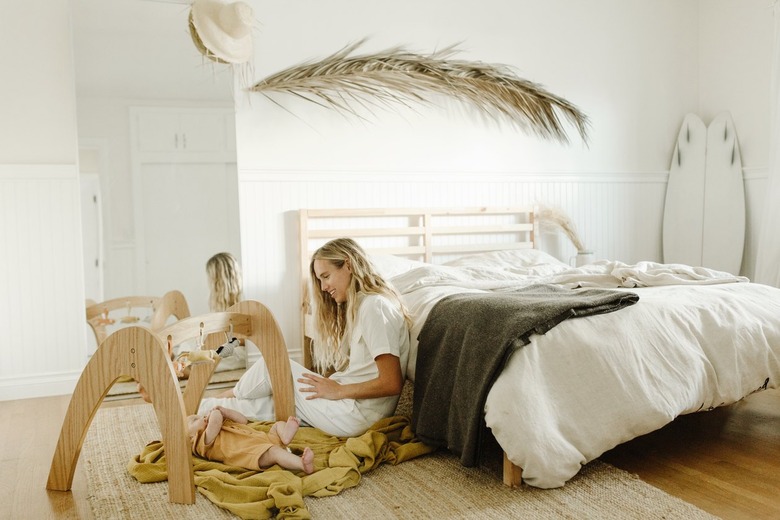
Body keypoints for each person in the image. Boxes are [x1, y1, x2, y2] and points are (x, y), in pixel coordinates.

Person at [198, 237, 412, 438]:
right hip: (349, 407)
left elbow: (391, 383)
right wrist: (335, 386)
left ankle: (222, 396)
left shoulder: (374, 307)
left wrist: (338, 390)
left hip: (354, 413)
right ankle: (203, 407)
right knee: (276, 401)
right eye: (319, 280)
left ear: (348, 265)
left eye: (326, 277)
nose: (323, 287)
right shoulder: (364, 306)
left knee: (272, 365)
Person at [188, 405, 315, 474]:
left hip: (264, 440)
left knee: (277, 425)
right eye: (195, 420)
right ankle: (302, 464)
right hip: (253, 453)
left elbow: (243, 421)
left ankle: (285, 437)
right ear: (190, 438)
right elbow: (215, 421)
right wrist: (215, 413)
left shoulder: (221, 423)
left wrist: (225, 411)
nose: (202, 417)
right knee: (274, 452)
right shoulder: (200, 443)